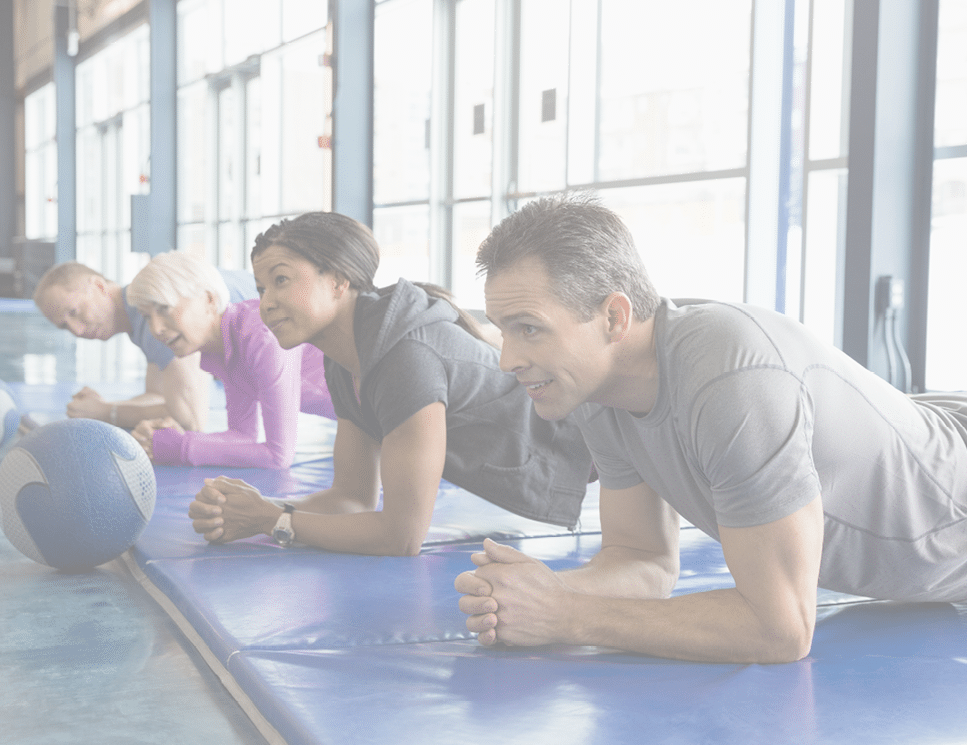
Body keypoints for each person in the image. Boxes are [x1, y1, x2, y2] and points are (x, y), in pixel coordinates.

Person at [454, 192, 967, 664]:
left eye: (529, 329)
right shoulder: (596, 391)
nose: (509, 357)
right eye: (502, 328)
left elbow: (778, 629)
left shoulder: (730, 381)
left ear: (612, 316)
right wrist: (540, 592)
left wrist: (570, 615)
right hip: (960, 444)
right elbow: (643, 558)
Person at [186, 211, 592, 557]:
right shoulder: (346, 361)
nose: (266, 302)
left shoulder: (405, 359)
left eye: (281, 280)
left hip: (599, 455)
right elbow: (350, 498)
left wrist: (272, 520)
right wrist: (251, 510)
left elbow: (401, 535)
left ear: (339, 281)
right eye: (260, 289)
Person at [125, 251, 336, 469]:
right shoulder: (225, 349)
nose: (156, 328)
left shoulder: (262, 336)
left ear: (209, 299)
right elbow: (242, 435)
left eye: (164, 308)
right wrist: (175, 439)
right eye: (147, 316)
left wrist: (182, 447)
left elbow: (278, 455)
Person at [33, 260, 257, 432]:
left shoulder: (155, 307)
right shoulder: (140, 316)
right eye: (64, 326)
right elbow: (158, 395)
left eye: (74, 312)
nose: (77, 331)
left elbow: (191, 419)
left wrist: (106, 412)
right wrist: (100, 406)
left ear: (99, 286)